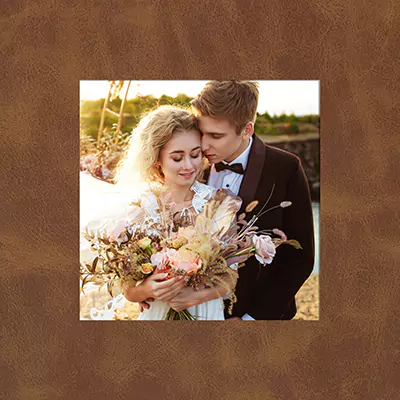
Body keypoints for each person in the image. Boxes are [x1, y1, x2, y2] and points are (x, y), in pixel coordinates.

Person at [81, 105, 237, 320]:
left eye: (195, 154)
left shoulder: (219, 202)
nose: (188, 165)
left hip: (206, 313)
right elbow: (127, 288)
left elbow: (231, 277)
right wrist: (147, 289)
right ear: (157, 161)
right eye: (177, 157)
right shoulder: (142, 207)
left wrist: (195, 297)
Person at [190, 80, 315, 320]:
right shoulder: (190, 164)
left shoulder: (286, 168)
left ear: (247, 130)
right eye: (201, 132)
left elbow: (300, 258)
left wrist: (252, 319)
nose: (204, 145)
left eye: (216, 135)